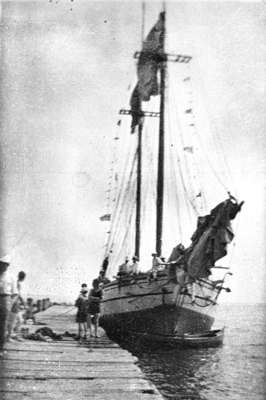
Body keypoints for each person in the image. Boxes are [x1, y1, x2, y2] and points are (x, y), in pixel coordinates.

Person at [0, 255, 17, 356]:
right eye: (1, 264)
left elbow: (15, 293)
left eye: (5, 265)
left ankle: (1, 348)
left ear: (7, 265)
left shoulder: (11, 276)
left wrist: (10, 303)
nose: (2, 266)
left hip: (5, 299)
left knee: (2, 325)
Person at [6, 271, 26, 342]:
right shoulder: (17, 284)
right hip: (14, 304)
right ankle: (9, 337)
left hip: (15, 304)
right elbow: (18, 295)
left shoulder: (17, 283)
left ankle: (16, 336)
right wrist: (24, 304)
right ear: (23, 277)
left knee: (20, 320)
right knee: (12, 322)